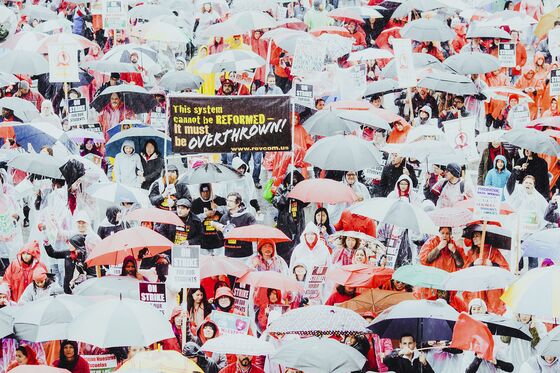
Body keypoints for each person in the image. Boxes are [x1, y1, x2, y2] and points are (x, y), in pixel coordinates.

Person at [272, 170, 308, 264]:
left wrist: (298, 193)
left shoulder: (301, 189)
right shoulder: (281, 188)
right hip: (285, 222)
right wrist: (287, 193)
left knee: (298, 245)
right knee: (284, 247)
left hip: (298, 221)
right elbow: (276, 202)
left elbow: (306, 202)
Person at [212, 192, 256, 259]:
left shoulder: (248, 217)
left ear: (238, 203)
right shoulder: (224, 217)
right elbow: (221, 239)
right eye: (227, 200)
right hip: (229, 256)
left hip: (245, 256)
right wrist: (217, 229)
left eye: (231, 201)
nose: (228, 203)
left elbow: (254, 234)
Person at [191, 183, 227, 255]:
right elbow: (192, 219)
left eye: (207, 191)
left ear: (211, 190)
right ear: (200, 192)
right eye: (203, 192)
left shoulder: (220, 200)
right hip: (203, 240)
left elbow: (229, 211)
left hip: (218, 239)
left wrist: (217, 208)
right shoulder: (195, 203)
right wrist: (205, 215)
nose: (205, 194)